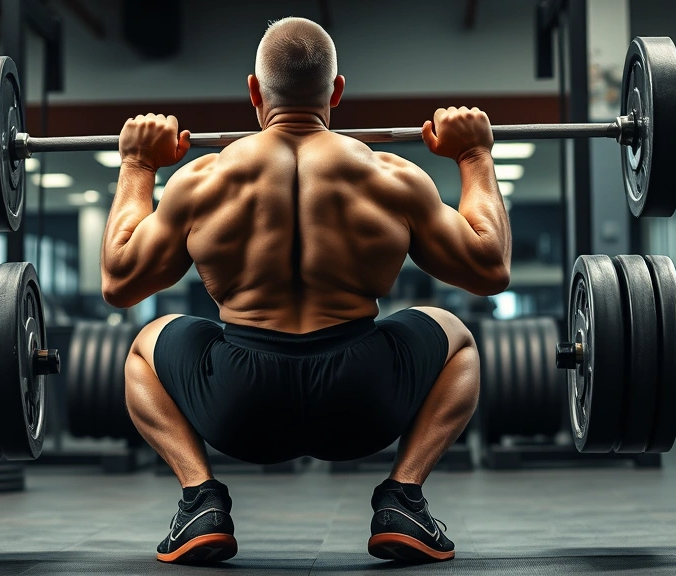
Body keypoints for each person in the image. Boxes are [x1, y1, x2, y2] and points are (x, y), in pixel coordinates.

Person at [100, 16, 511, 565]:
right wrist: (474, 157)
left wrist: (137, 164)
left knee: (143, 345)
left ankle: (200, 499)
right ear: (337, 91)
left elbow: (119, 281)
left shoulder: (202, 181)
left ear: (253, 92)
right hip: (362, 402)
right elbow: (490, 269)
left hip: (239, 406)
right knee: (457, 339)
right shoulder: (390, 177)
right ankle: (403, 499)